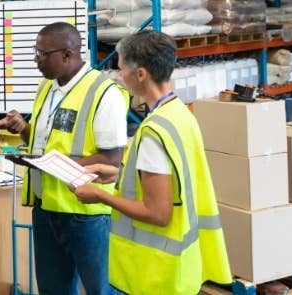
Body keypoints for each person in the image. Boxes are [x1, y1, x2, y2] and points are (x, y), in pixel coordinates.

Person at [70, 30, 232, 295]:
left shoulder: (153, 133)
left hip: (155, 273)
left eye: (121, 69)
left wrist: (100, 196)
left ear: (141, 74)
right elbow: (170, 180)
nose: (120, 77)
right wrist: (112, 173)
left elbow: (158, 213)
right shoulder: (180, 114)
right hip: (182, 265)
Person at [0, 22, 129, 295]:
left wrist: (53, 166)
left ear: (67, 55)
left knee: (99, 290)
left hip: (85, 214)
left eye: (42, 54)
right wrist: (23, 128)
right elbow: (43, 141)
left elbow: (112, 159)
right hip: (47, 209)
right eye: (36, 51)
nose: (36, 59)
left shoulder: (104, 93)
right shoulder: (46, 87)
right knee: (54, 290)